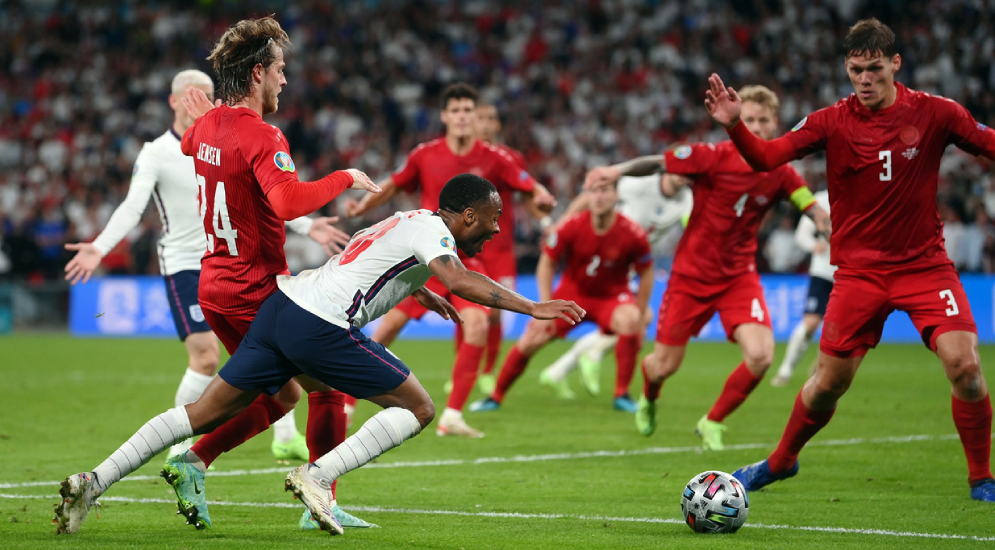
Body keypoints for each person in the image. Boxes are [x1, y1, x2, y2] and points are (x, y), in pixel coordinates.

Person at [54, 174, 584, 536]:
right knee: (419, 407)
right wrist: (532, 307)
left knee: (202, 413)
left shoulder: (408, 220)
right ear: (467, 215)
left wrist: (418, 288)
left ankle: (92, 481)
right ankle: (318, 477)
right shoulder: (433, 232)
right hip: (320, 324)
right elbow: (462, 280)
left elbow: (364, 252)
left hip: (282, 309)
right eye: (493, 217)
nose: (497, 227)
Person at [703, 19, 994, 501]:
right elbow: (767, 158)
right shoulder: (830, 121)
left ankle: (981, 478)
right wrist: (734, 124)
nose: (864, 79)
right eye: (856, 70)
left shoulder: (936, 112)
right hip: (859, 274)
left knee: (965, 365)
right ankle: (780, 461)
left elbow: (988, 143)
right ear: (846, 67)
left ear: (895, 64)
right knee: (826, 385)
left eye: (874, 68)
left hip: (925, 267)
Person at [162, 17, 381, 530]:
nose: (285, 79)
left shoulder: (208, 128)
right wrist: (344, 176)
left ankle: (194, 460)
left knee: (282, 395)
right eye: (280, 69)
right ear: (258, 72)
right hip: (256, 290)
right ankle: (320, 501)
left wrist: (209, 119)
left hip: (214, 287)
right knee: (327, 387)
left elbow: (190, 144)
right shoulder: (263, 134)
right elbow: (286, 203)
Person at [62, 69, 348, 461]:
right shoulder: (157, 152)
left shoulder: (223, 140)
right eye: (191, 94)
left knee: (273, 355)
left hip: (236, 264)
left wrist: (307, 225)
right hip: (185, 265)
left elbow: (262, 195)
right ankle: (179, 450)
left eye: (209, 94)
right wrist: (99, 246)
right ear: (173, 100)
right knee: (207, 357)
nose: (202, 100)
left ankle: (284, 437)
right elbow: (133, 206)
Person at [585, 85, 831, 449]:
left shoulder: (780, 172)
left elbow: (808, 203)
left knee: (761, 356)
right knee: (663, 366)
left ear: (775, 123)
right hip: (690, 277)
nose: (756, 127)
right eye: (749, 119)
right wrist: (615, 171)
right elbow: (659, 162)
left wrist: (824, 222)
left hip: (738, 278)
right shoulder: (710, 156)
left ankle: (713, 420)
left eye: (763, 120)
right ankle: (649, 395)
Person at [344, 83, 554, 438]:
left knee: (478, 323)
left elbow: (531, 186)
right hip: (423, 261)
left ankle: (452, 415)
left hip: (463, 260)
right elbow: (393, 184)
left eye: (467, 110)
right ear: (444, 116)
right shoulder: (425, 154)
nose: (461, 116)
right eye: (455, 110)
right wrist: (361, 207)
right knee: (389, 327)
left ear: (475, 115)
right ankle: (347, 403)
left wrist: (543, 200)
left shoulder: (495, 157)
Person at [469, 178, 653, 413]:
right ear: (587, 197)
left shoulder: (633, 233)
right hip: (572, 295)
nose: (599, 197)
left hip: (612, 298)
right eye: (594, 191)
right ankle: (495, 397)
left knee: (630, 319)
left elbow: (647, 273)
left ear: (616, 196)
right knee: (532, 337)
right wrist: (544, 305)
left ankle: (622, 395)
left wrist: (640, 311)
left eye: (605, 191)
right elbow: (547, 263)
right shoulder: (572, 226)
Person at [538, 173, 692, 399]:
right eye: (679, 169)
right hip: (613, 254)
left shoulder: (686, 199)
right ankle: (591, 358)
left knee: (638, 325)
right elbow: (589, 197)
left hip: (633, 258)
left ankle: (561, 370)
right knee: (638, 321)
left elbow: (691, 226)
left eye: (688, 173)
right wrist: (559, 227)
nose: (683, 175)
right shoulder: (639, 184)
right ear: (667, 168)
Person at [472, 103, 553, 395]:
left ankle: (488, 371)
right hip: (468, 246)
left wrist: (545, 222)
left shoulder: (511, 158)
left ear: (498, 125)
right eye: (480, 118)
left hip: (501, 247)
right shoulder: (460, 157)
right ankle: (465, 367)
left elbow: (528, 193)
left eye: (490, 119)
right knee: (468, 309)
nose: (485, 124)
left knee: (495, 311)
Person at [771, 189, 835, 387]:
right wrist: (813, 245)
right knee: (810, 323)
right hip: (823, 271)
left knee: (839, 328)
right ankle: (786, 369)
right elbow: (801, 234)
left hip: (851, 273)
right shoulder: (821, 200)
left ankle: (820, 366)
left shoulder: (861, 198)